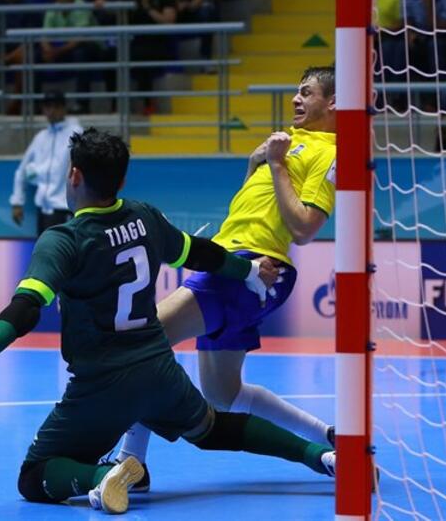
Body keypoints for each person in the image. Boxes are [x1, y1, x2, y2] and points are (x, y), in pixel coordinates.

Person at [0, 128, 336, 514]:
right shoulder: (144, 217)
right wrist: (249, 271)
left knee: (33, 476)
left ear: (73, 176)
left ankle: (103, 477)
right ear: (121, 180)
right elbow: (201, 254)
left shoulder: (62, 240)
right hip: (160, 373)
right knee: (212, 427)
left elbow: (27, 307)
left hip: (101, 384)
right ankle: (320, 456)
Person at [115, 67, 339, 484]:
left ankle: (133, 461)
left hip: (253, 269)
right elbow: (253, 208)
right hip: (231, 264)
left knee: (141, 343)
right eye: (296, 90)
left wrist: (274, 165)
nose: (295, 99)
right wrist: (258, 165)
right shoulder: (286, 142)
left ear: (333, 103)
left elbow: (305, 228)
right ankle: (327, 436)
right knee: (225, 395)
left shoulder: (329, 152)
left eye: (306, 93)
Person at [10, 91, 82, 234]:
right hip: (43, 210)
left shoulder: (76, 133)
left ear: (64, 108)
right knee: (45, 254)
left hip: (65, 208)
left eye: (56, 107)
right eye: (47, 107)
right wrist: (17, 201)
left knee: (65, 254)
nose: (51, 111)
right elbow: (22, 170)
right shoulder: (41, 137)